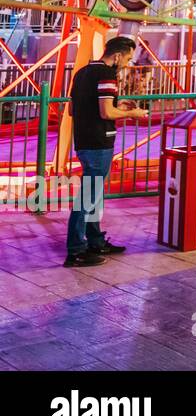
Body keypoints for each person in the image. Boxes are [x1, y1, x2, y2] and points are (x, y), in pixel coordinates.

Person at [65, 36, 144, 268]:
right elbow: (106, 113)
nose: (127, 63)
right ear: (117, 55)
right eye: (128, 58)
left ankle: (95, 241)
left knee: (93, 196)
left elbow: (72, 109)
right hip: (99, 142)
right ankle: (76, 250)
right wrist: (132, 114)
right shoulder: (107, 76)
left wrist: (116, 106)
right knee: (88, 197)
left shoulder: (82, 73)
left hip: (84, 140)